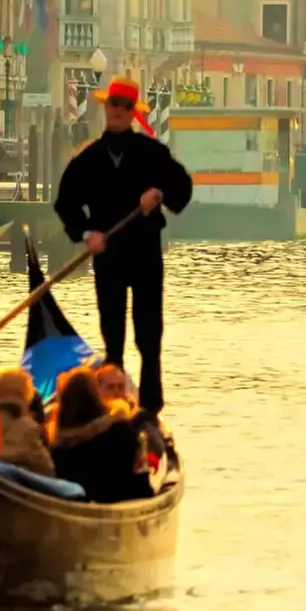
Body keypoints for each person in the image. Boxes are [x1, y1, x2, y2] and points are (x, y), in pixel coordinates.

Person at [53, 76, 194, 418]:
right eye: (114, 104)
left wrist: (159, 195)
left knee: (149, 331)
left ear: (133, 112)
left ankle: (150, 405)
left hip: (145, 250)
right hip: (109, 254)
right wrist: (87, 234)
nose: (119, 110)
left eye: (126, 106)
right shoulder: (88, 159)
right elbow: (65, 204)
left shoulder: (152, 153)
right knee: (112, 330)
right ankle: (110, 397)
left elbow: (182, 189)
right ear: (106, 107)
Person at [49, 366, 155, 503]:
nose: (116, 392)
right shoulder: (120, 431)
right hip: (122, 505)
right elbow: (140, 486)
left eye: (120, 387)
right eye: (111, 387)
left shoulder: (57, 448)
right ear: (97, 400)